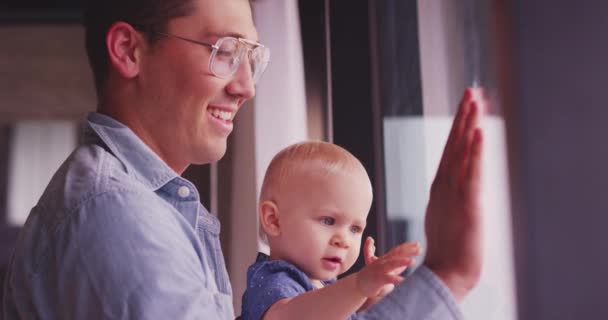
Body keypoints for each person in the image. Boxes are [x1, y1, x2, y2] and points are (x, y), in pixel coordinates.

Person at [2, 0, 485, 318]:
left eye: (251, 57)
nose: (247, 86)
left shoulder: (149, 208)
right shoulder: (117, 215)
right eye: (225, 51)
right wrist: (446, 274)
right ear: (129, 50)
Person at [241, 141, 422, 319]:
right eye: (328, 220)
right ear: (274, 220)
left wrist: (374, 294)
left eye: (355, 228)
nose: (343, 240)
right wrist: (358, 286)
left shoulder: (326, 286)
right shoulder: (274, 279)